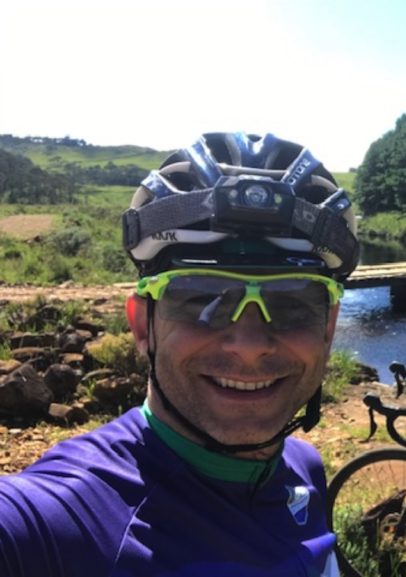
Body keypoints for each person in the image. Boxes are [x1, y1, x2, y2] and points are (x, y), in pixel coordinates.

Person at [0, 132, 359, 576]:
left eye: (292, 304)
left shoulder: (304, 467)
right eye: (202, 299)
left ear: (328, 328)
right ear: (141, 326)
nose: (249, 347)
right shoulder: (64, 523)